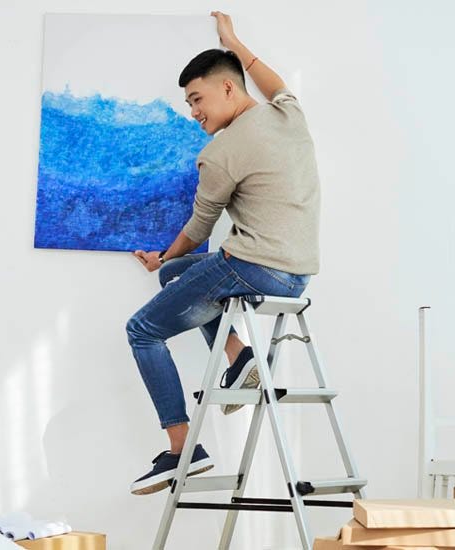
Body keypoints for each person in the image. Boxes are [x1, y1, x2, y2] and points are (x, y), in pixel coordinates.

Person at [127, 12, 322, 495]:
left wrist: (161, 254)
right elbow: (273, 82)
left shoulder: (221, 151)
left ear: (228, 90)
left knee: (142, 331)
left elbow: (199, 227)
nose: (192, 110)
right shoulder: (289, 115)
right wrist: (235, 44)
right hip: (296, 276)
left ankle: (182, 449)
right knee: (175, 275)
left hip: (252, 267)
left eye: (197, 98)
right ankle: (240, 359)